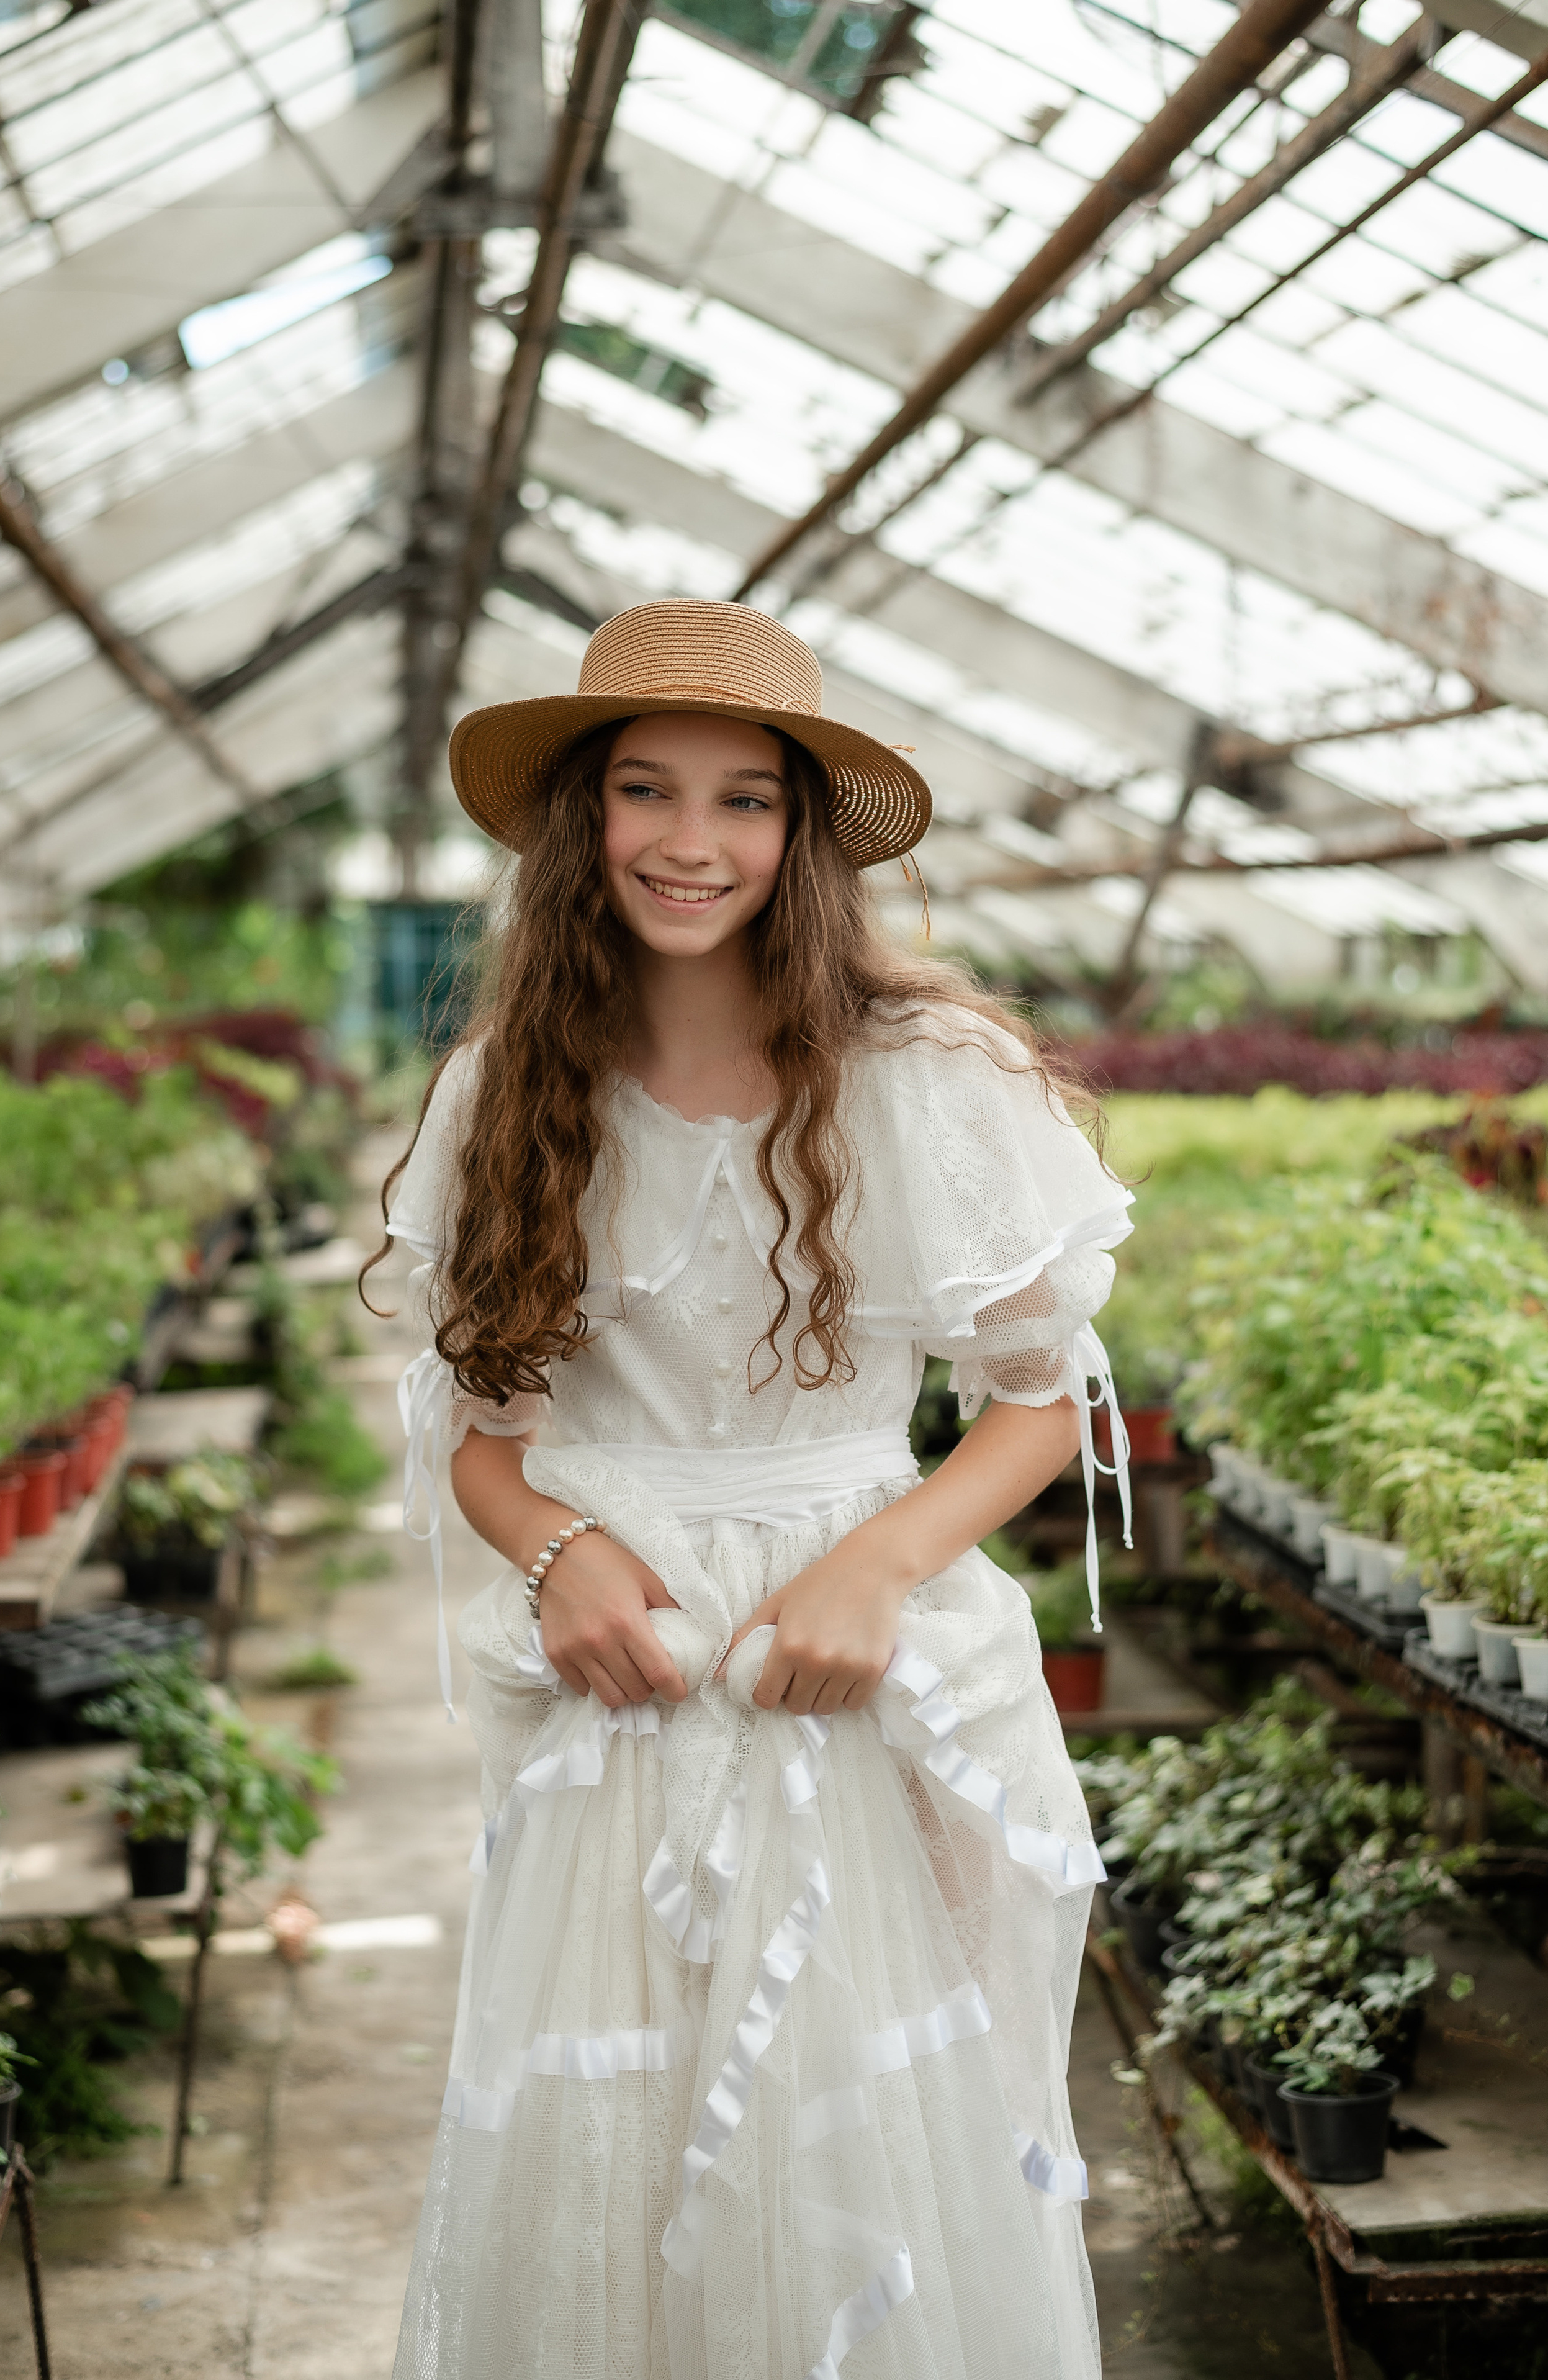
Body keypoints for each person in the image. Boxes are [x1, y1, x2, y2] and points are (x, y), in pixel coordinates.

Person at [379, 600, 1132, 2380]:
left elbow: (1044, 1404)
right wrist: (556, 1551)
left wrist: (881, 1563)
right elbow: (483, 1438)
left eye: (743, 799)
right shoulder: (507, 1095)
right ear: (586, 821)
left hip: (842, 1660)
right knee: (608, 2132)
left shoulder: (930, 1082)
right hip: (620, 1674)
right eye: (646, 791)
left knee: (864, 2114)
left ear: (801, 838)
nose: (691, 842)